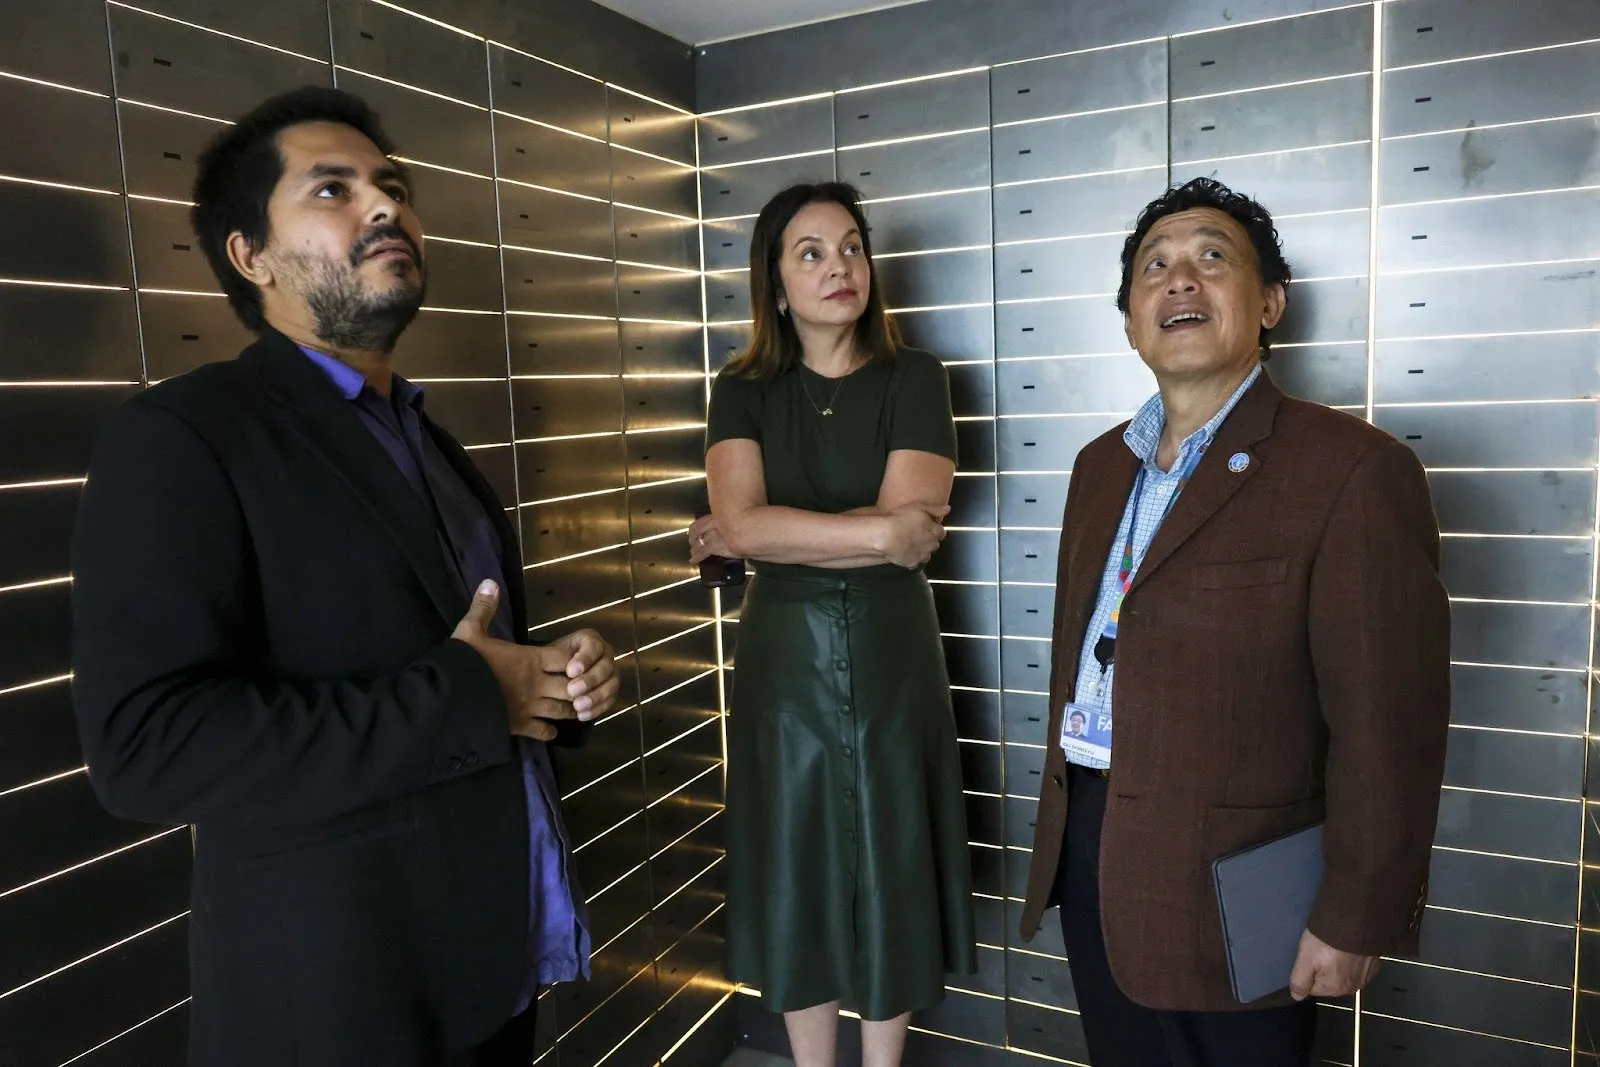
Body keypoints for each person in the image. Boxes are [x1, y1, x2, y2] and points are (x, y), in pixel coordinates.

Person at [70, 87, 622, 1067]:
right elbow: (146, 746)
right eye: (333, 188)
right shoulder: (184, 439)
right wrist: (470, 694)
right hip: (340, 1003)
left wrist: (550, 681)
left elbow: (469, 671)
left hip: (494, 972)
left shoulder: (433, 444)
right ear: (252, 256)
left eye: (395, 187)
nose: (385, 207)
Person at [1017, 177, 1451, 1067]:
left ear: (1269, 303)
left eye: (1213, 258)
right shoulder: (1099, 468)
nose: (1181, 280)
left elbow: (1387, 726)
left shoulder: (1352, 469)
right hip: (1094, 843)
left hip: (1241, 881)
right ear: (1130, 319)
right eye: (1155, 267)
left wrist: (1354, 913)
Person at [689, 182, 976, 1067]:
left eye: (850, 246)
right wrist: (872, 532)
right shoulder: (740, 390)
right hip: (783, 661)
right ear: (775, 284)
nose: (838, 266)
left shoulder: (916, 377)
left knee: (892, 854)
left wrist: (786, 532)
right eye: (809, 252)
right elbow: (739, 526)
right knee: (797, 863)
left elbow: (914, 531)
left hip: (894, 653)